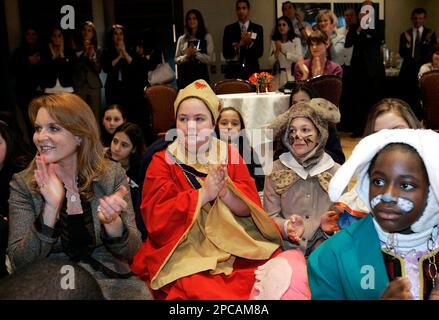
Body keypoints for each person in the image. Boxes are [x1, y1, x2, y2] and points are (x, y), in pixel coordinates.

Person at [130, 79, 283, 300]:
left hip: (235, 242)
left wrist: (225, 193)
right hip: (185, 248)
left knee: (271, 273)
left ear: (213, 124)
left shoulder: (229, 154)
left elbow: (249, 209)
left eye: (199, 119)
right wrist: (203, 194)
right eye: (183, 119)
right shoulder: (162, 160)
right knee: (203, 291)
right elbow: (156, 219)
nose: (190, 126)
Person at [7, 93, 150, 300]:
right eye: (38, 128)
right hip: (49, 281)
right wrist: (50, 208)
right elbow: (20, 262)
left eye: (53, 128)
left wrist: (113, 224)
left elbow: (131, 250)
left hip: (108, 278)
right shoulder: (23, 183)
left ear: (80, 135)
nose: (40, 137)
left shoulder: (111, 175)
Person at [308, 129, 439, 300]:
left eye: (406, 185)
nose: (387, 195)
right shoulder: (331, 257)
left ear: (432, 191)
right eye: (378, 181)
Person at [305, 98, 423, 255]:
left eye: (398, 130)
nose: (389, 140)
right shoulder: (360, 196)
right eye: (379, 135)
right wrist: (330, 231)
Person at [263, 99, 341, 255]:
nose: (297, 135)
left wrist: (329, 230)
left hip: (326, 249)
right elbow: (269, 216)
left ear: (320, 135)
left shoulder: (336, 173)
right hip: (286, 250)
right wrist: (286, 227)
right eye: (292, 131)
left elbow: (345, 221)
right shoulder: (275, 170)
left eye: (305, 130)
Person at [269, 82, 345, 165]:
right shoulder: (288, 126)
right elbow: (277, 157)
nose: (299, 107)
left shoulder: (327, 125)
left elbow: (339, 159)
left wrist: (313, 150)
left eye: (303, 102)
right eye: (294, 103)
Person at [345, 1, 385, 137]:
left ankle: (375, 129)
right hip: (358, 70)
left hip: (375, 70)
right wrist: (359, 29)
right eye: (364, 10)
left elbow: (378, 38)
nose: (367, 13)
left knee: (375, 101)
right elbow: (349, 42)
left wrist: (367, 30)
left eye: (369, 10)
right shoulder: (354, 27)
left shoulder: (379, 24)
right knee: (358, 101)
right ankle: (358, 129)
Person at [105, 122, 147, 242]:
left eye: (124, 145)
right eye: (115, 141)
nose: (116, 148)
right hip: (110, 224)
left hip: (135, 227)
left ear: (133, 149)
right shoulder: (101, 164)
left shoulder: (141, 170)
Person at [0, 258, 104, 300]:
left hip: (100, 277)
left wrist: (114, 229)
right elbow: (19, 260)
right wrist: (48, 217)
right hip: (43, 274)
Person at [399, 8, 437, 119]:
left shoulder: (430, 34)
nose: (417, 21)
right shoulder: (405, 34)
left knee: (422, 96)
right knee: (407, 96)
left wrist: (426, 41)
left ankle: (421, 120)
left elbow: (431, 53)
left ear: (424, 19)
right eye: (415, 18)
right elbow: (402, 53)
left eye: (420, 18)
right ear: (411, 18)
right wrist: (408, 44)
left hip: (423, 68)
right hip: (408, 69)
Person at [215, 107, 264, 192]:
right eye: (224, 123)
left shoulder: (249, 152)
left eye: (235, 124)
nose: (229, 127)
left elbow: (260, 184)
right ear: (216, 127)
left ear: (241, 128)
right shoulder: (209, 152)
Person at [10, 26, 43, 143]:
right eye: (28, 34)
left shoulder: (43, 50)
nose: (31, 36)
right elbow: (13, 70)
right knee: (29, 123)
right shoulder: (18, 52)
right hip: (24, 94)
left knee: (42, 121)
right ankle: (34, 150)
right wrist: (28, 62)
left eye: (33, 34)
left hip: (41, 93)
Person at [102, 24, 136, 120]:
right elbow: (106, 68)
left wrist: (124, 53)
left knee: (127, 113)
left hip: (127, 87)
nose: (119, 36)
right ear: (112, 36)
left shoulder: (130, 50)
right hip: (112, 87)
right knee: (113, 112)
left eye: (121, 34)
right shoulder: (107, 51)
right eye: (116, 34)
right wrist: (119, 57)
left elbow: (134, 66)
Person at [223, 0, 264, 80]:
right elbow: (226, 53)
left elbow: (260, 53)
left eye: (244, 8)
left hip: (252, 72)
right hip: (234, 72)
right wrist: (239, 45)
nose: (241, 11)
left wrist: (250, 43)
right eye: (238, 9)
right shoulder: (229, 29)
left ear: (248, 10)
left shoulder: (257, 29)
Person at [175, 9, 214, 89]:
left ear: (199, 20)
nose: (191, 21)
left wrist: (196, 54)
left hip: (201, 76)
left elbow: (210, 59)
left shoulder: (207, 37)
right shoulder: (182, 39)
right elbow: (176, 60)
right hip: (185, 77)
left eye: (194, 18)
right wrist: (187, 56)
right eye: (189, 19)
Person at [73, 21, 103, 120]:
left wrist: (92, 57)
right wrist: (84, 53)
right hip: (80, 86)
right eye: (84, 30)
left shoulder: (98, 50)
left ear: (93, 34)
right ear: (81, 32)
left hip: (94, 86)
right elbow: (75, 68)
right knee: (80, 116)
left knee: (95, 116)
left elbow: (98, 69)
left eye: (89, 30)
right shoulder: (75, 49)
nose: (86, 32)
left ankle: (97, 136)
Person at [337, 8, 358, 133]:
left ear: (355, 17)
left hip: (353, 67)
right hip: (341, 66)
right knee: (343, 97)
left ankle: (351, 124)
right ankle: (343, 124)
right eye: (346, 15)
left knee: (352, 97)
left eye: (351, 15)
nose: (348, 17)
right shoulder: (339, 31)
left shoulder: (358, 31)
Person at [269, 16, 302, 89]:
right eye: (279, 25)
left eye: (284, 25)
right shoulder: (274, 42)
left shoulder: (296, 40)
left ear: (289, 27)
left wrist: (284, 51)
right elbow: (270, 62)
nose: (281, 27)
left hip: (292, 75)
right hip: (278, 76)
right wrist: (277, 51)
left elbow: (299, 58)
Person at [40, 26, 75, 94]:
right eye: (54, 35)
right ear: (51, 37)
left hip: (67, 88)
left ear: (63, 37)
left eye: (59, 36)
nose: (57, 38)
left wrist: (62, 54)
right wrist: (53, 55)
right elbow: (45, 71)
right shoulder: (45, 52)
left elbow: (70, 71)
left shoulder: (69, 52)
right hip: (50, 89)